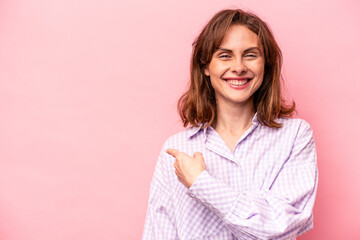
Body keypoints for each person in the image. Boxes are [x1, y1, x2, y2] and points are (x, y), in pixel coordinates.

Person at [142, 9, 318, 240]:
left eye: (250, 55)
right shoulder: (176, 149)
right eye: (225, 55)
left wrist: (201, 184)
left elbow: (279, 225)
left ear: (266, 66)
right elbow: (159, 234)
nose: (238, 67)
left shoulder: (295, 136)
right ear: (206, 67)